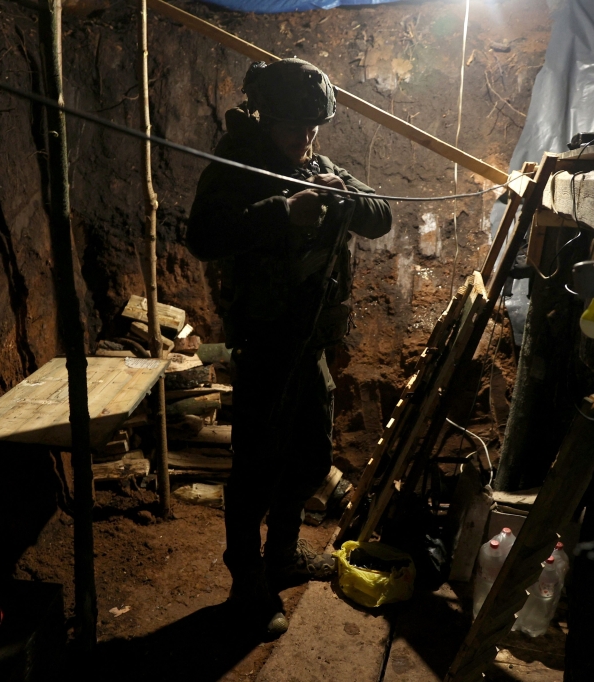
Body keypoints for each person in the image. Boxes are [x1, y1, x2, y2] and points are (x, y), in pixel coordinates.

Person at [186, 58, 392, 637]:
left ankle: (282, 554)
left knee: (308, 457)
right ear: (265, 117)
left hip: (311, 347)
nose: (308, 138)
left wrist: (340, 197)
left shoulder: (318, 164)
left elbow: (379, 217)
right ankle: (245, 579)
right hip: (265, 341)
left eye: (314, 127)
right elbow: (203, 237)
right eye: (296, 127)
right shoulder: (235, 169)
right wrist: (284, 211)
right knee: (256, 466)